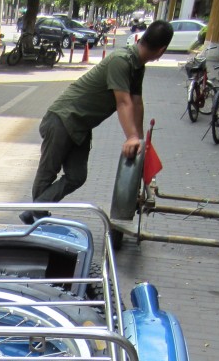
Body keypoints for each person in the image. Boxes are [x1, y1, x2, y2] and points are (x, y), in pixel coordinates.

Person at [19, 19, 172, 224]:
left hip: (81, 127)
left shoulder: (137, 66)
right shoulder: (121, 60)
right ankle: (36, 217)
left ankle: (36, 209)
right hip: (63, 118)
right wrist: (132, 136)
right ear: (161, 50)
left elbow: (137, 103)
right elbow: (123, 102)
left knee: (77, 176)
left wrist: (140, 140)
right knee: (48, 172)